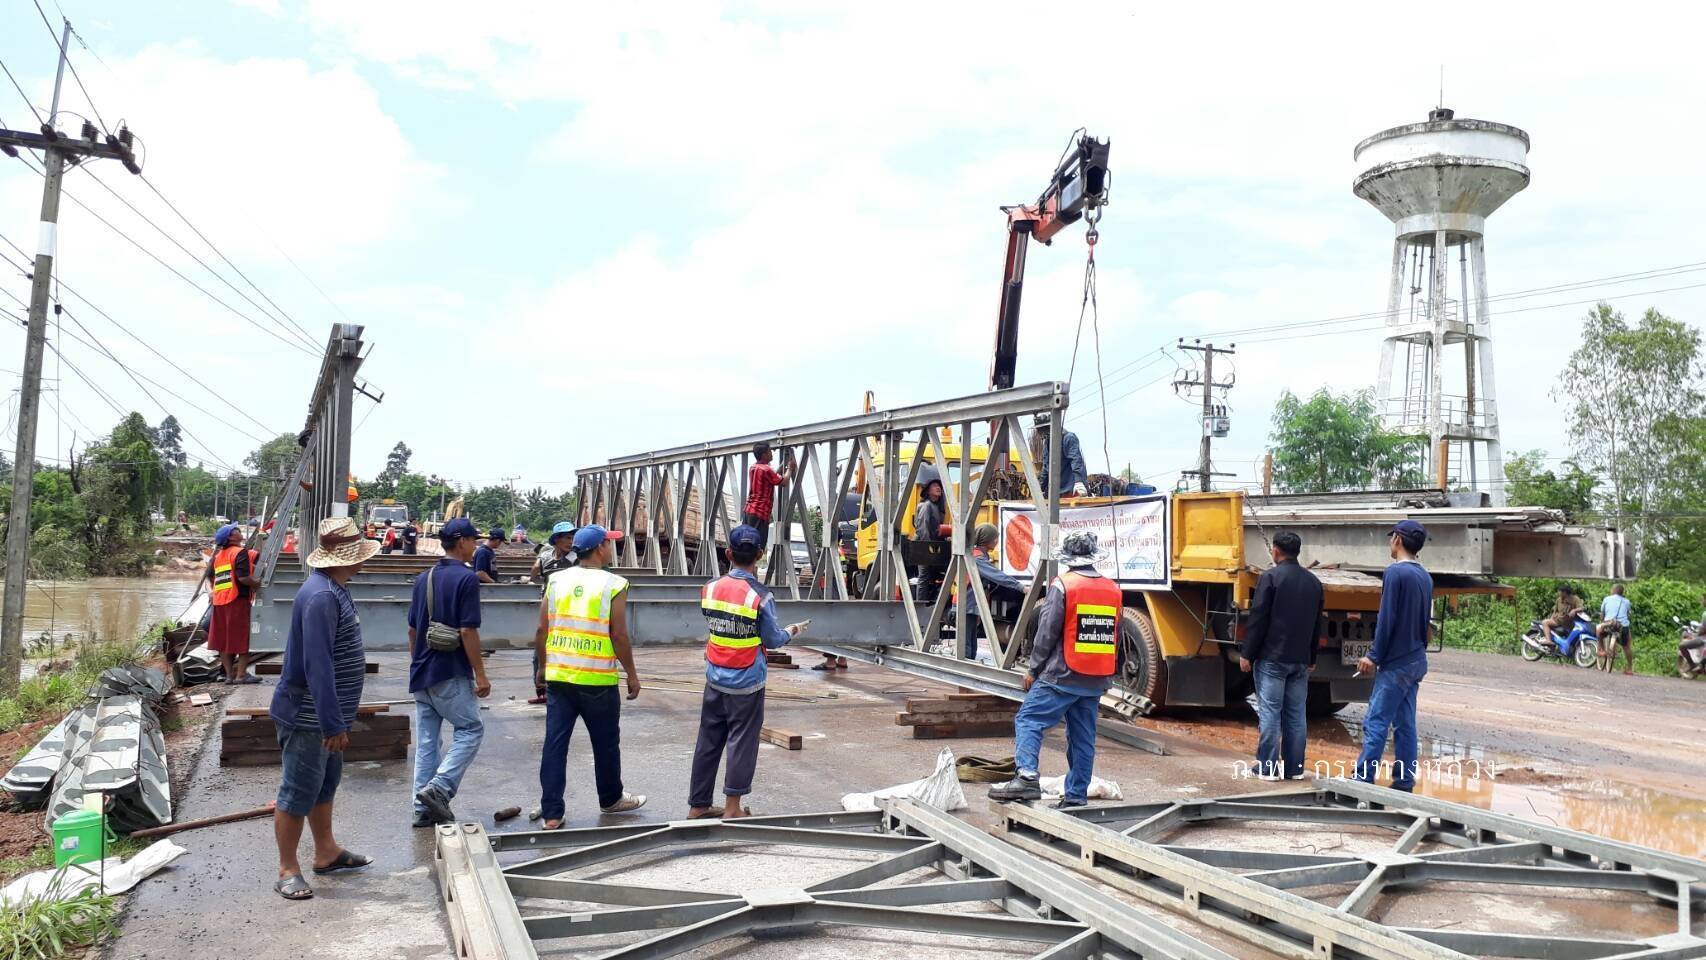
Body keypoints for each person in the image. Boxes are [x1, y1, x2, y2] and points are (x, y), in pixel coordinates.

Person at [268, 517, 379, 900]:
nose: (363, 561)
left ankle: (326, 851)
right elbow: (318, 666)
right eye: (359, 555)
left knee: (324, 785)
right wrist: (333, 723)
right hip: (309, 715)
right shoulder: (321, 597)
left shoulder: (334, 589)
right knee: (297, 791)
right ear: (346, 558)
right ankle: (287, 868)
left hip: (327, 715)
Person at [989, 532, 1119, 808]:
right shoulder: (1112, 588)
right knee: (1083, 738)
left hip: (1062, 675)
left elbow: (1046, 633)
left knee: (1028, 720)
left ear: (1068, 559)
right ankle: (1076, 796)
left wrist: (1033, 669)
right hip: (1096, 678)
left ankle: (1025, 777)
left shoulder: (1064, 585)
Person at [688, 525, 808, 819]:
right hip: (746, 681)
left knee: (708, 741)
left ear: (728, 553)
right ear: (760, 555)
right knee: (741, 742)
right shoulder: (760, 596)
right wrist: (791, 631)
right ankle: (732, 808)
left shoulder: (710, 588)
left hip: (715, 676)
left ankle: (698, 805)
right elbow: (771, 640)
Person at [535, 525, 646, 827]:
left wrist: (542, 668)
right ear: (598, 549)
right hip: (597, 679)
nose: (611, 549)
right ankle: (611, 799)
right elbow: (619, 634)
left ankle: (552, 813)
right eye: (608, 544)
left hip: (560, 678)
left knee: (555, 745)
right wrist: (632, 675)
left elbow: (542, 629)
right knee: (606, 744)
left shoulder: (556, 580)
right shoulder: (614, 584)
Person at [406, 518, 492, 827]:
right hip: (450, 671)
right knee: (470, 730)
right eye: (473, 540)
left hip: (422, 673)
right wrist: (480, 674)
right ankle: (439, 789)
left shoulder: (424, 578)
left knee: (428, 743)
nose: (476, 545)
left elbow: (413, 630)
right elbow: (468, 630)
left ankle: (421, 809)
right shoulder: (467, 579)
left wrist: (418, 664)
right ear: (461, 542)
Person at [1353, 520, 1431, 793]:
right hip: (1416, 659)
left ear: (1398, 539)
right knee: (1405, 724)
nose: (1389, 543)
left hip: (1396, 663)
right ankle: (1405, 781)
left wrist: (1373, 656)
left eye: (1391, 538)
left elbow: (1386, 619)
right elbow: (1425, 624)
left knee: (1376, 720)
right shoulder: (1425, 576)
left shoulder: (1395, 574)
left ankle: (1362, 779)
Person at [1239, 531, 1324, 781]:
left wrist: (1247, 653)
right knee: (1296, 715)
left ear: (1275, 551)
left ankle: (1267, 768)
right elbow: (1317, 623)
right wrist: (1312, 657)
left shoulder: (1271, 578)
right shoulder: (1313, 582)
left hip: (1272, 659)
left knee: (1270, 713)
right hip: (1300, 660)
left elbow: (1258, 619)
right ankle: (1294, 769)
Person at [525, 521, 579, 704]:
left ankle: (566, 691)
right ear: (556, 540)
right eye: (566, 538)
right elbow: (534, 573)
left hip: (570, 611)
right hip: (550, 610)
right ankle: (542, 691)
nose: (570, 542)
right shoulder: (546, 557)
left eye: (572, 538)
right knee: (539, 652)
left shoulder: (575, 559)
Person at [205, 523, 262, 685]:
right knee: (243, 639)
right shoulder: (240, 552)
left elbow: (211, 578)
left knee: (223, 640)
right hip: (237, 601)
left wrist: (211, 593)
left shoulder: (218, 556)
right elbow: (243, 578)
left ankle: (230, 676)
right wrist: (256, 583)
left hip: (219, 602)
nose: (239, 531)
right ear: (231, 537)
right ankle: (241, 676)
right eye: (236, 530)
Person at [964, 522, 1025, 662]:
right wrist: (1020, 587)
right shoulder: (978, 559)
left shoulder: (978, 555)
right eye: (994, 538)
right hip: (967, 606)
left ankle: (969, 677)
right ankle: (964, 680)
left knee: (971, 646)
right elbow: (996, 575)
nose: (997, 541)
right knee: (967, 648)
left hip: (971, 606)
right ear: (986, 540)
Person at [742, 441, 794, 547]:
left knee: (746, 543)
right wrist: (790, 469)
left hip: (749, 511)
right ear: (764, 455)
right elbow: (784, 482)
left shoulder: (753, 468)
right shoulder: (766, 470)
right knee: (757, 544)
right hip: (760, 513)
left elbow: (771, 478)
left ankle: (744, 562)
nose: (772, 453)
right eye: (770, 451)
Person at [912, 473, 951, 604]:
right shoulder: (926, 505)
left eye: (939, 486)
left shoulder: (938, 507)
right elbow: (923, 529)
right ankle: (921, 605)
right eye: (934, 486)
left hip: (933, 545)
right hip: (925, 545)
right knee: (924, 576)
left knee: (931, 575)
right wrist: (928, 548)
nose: (938, 488)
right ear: (928, 491)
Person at [1032, 418, 1090, 497]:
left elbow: (1075, 460)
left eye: (1042, 429)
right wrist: (1040, 488)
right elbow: (1047, 467)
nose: (1041, 433)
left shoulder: (1068, 438)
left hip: (1072, 489)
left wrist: (1079, 481)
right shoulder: (1048, 442)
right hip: (1056, 491)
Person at [1597, 584, 1633, 675]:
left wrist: (1602, 622)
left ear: (1613, 590)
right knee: (1627, 646)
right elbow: (1629, 615)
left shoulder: (1607, 599)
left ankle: (1601, 650)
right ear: (1622, 592)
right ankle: (1629, 668)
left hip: (1608, 624)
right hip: (1622, 626)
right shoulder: (1627, 601)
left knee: (1598, 630)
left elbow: (1602, 614)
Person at [1541, 583, 1587, 649]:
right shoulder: (1559, 600)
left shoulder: (1575, 599)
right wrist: (1551, 618)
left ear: (1564, 592)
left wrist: (1574, 610)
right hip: (1558, 621)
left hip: (1570, 623)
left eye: (1560, 591)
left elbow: (1582, 608)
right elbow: (1555, 611)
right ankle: (1548, 640)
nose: (1559, 593)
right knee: (1545, 622)